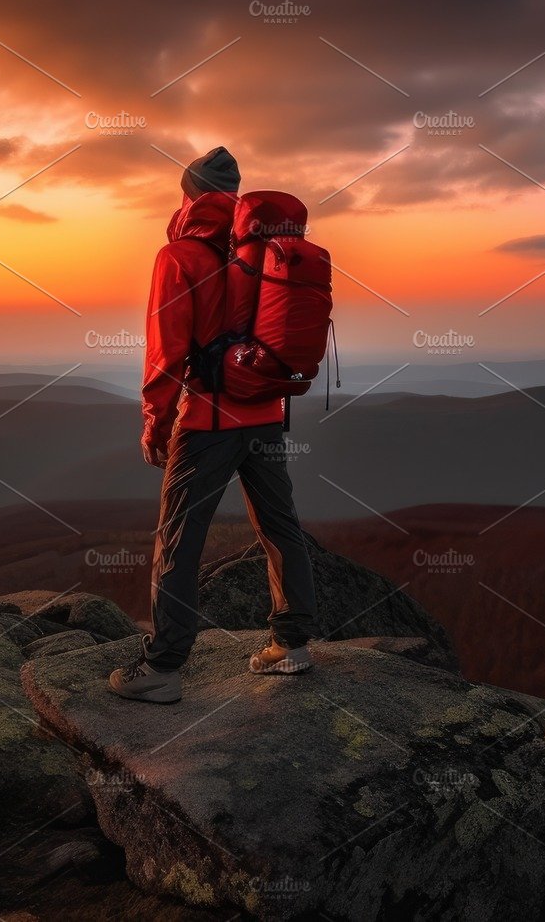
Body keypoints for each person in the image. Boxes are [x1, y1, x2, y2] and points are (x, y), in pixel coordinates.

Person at [109, 147, 318, 704]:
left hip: (205, 421)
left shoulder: (178, 254)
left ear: (188, 194)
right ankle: (291, 646)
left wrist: (155, 421)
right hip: (267, 415)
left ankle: (163, 669)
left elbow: (165, 352)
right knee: (281, 528)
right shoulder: (272, 250)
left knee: (179, 541)